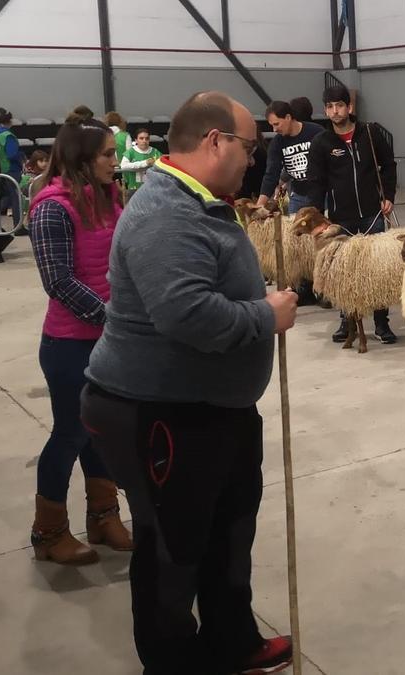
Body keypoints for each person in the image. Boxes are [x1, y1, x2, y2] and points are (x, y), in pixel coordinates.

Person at [80, 91, 296, 675]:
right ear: (214, 141)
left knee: (228, 533)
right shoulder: (165, 214)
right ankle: (173, 663)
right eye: (248, 146)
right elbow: (187, 315)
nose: (253, 158)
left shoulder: (202, 202)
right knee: (173, 550)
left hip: (211, 409)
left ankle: (232, 642)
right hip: (160, 413)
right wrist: (266, 315)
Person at [26, 113, 133, 566]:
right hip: (70, 345)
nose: (117, 160)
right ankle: (48, 532)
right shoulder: (52, 206)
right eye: (109, 154)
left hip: (109, 339)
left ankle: (104, 518)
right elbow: (59, 280)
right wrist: (110, 317)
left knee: (101, 432)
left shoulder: (111, 199)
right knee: (70, 434)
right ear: (83, 159)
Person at [305, 84, 398, 344]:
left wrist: (388, 195)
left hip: (372, 213)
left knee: (376, 270)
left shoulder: (370, 133)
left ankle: (381, 323)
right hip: (339, 217)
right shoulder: (321, 142)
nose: (335, 111)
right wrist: (318, 217)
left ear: (350, 107)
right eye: (330, 107)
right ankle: (347, 321)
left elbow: (388, 165)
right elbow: (316, 181)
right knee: (343, 272)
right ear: (326, 110)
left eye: (340, 105)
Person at [256, 100, 323, 214]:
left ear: (288, 117)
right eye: (272, 125)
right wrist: (260, 205)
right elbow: (271, 174)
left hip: (322, 193)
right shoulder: (277, 143)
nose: (274, 129)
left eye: (276, 124)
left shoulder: (316, 132)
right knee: (293, 229)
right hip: (298, 196)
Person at [0, 107, 24, 226]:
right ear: (10, 121)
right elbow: (12, 154)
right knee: (15, 198)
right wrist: (21, 158)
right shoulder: (8, 135)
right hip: (11, 169)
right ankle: (18, 225)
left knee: (5, 196)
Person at [120, 127, 161, 193]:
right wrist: (145, 163)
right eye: (141, 138)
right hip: (134, 188)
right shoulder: (130, 152)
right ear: (136, 140)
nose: (144, 141)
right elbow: (123, 166)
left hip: (152, 188)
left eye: (147, 138)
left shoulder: (155, 152)